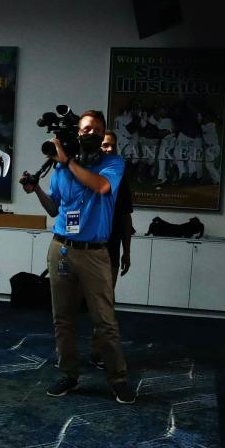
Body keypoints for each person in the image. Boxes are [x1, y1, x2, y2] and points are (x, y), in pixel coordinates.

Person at [22, 110, 134, 403]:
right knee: (63, 319)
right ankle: (69, 374)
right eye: (85, 129)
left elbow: (101, 186)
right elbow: (54, 209)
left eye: (97, 129)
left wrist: (67, 161)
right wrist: (35, 191)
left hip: (95, 253)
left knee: (104, 320)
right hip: (61, 248)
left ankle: (118, 378)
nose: (90, 133)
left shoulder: (113, 163)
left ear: (104, 133)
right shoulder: (60, 169)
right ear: (78, 133)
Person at [90, 131, 133, 368]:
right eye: (105, 145)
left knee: (104, 306)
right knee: (72, 305)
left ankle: (98, 353)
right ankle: (68, 355)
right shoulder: (83, 172)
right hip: (82, 250)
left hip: (111, 251)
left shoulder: (120, 178)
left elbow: (126, 218)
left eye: (113, 146)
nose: (109, 149)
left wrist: (127, 251)